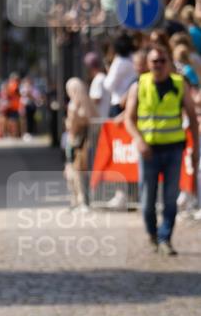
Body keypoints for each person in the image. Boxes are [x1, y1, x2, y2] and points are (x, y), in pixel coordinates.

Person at [124, 44, 199, 255]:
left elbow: (192, 119)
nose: (158, 65)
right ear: (148, 64)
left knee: (170, 199)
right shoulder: (139, 85)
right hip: (148, 151)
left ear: (169, 63)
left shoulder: (179, 84)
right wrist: (139, 140)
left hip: (174, 150)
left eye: (162, 61)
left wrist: (196, 150)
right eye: (154, 61)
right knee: (147, 201)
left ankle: (165, 238)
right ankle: (152, 234)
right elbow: (129, 120)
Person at [63, 78, 93, 209]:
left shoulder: (73, 106)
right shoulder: (88, 103)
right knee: (81, 172)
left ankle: (77, 200)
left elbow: (71, 126)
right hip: (86, 140)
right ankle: (81, 200)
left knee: (73, 171)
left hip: (75, 141)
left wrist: (69, 123)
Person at [104, 32, 136, 118]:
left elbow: (109, 85)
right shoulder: (134, 58)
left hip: (119, 103)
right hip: (132, 101)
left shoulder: (119, 62)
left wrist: (108, 72)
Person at [84, 52, 110, 122]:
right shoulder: (102, 77)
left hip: (99, 120)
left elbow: (96, 99)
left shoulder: (98, 79)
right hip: (102, 118)